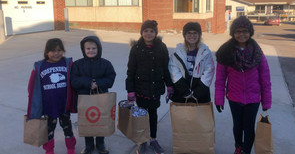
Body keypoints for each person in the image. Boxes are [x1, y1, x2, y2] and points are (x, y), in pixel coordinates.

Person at [214, 16, 272, 154]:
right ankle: (238, 147)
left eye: (245, 31)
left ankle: (246, 150)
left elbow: (265, 78)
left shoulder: (257, 53)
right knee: (238, 126)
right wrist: (219, 99)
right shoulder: (226, 52)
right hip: (234, 97)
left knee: (249, 126)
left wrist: (266, 101)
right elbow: (220, 79)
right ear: (233, 33)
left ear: (250, 32)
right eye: (238, 31)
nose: (242, 34)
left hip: (253, 98)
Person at [126, 20, 173, 154]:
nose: (148, 33)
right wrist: (130, 90)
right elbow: (131, 71)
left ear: (155, 33)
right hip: (140, 88)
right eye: (146, 31)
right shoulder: (136, 49)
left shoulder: (161, 47)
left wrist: (169, 85)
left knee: (153, 114)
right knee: (141, 116)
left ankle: (153, 139)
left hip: (155, 88)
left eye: (151, 31)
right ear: (141, 32)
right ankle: (142, 141)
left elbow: (166, 68)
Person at [26, 38, 76, 154]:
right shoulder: (40, 66)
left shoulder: (67, 63)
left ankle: (71, 148)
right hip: (48, 106)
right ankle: (49, 150)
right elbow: (32, 86)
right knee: (48, 130)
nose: (56, 53)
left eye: (59, 50)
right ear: (46, 52)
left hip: (64, 105)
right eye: (53, 50)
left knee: (67, 128)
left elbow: (74, 80)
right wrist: (35, 102)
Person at [70, 36, 116, 154]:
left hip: (102, 98)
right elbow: (74, 81)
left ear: (99, 49)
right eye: (88, 48)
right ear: (83, 49)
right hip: (84, 98)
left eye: (94, 48)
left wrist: (98, 83)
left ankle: (100, 143)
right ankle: (89, 145)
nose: (91, 51)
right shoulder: (77, 64)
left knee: (101, 120)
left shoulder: (106, 64)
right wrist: (88, 83)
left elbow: (110, 79)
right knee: (87, 122)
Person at [168, 22, 215, 103]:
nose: (192, 36)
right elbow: (174, 70)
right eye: (189, 33)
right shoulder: (177, 52)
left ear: (199, 35)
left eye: (195, 33)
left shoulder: (205, 52)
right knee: (182, 115)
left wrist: (198, 92)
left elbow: (209, 71)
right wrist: (184, 90)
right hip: (181, 91)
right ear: (184, 35)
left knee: (199, 115)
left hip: (200, 92)